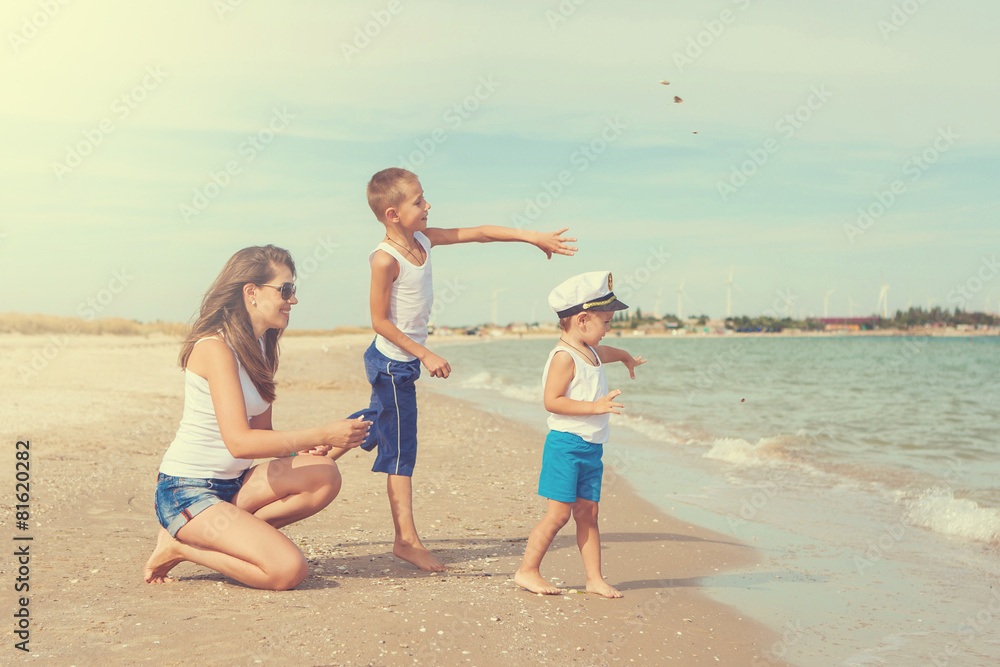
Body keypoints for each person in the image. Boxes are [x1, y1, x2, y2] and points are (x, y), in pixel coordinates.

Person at [330, 167, 577, 572]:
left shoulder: (424, 241)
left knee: (385, 418)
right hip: (392, 363)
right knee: (400, 448)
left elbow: (478, 232)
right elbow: (379, 321)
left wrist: (531, 237)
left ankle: (324, 446)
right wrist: (425, 354)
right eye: (418, 201)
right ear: (392, 214)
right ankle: (405, 541)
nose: (428, 206)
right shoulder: (384, 259)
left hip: (402, 362)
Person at [144, 245, 371, 590]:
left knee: (324, 474)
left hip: (234, 485)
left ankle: (227, 535)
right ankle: (183, 545)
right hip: (186, 492)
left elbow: (262, 433)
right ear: (251, 292)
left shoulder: (261, 347)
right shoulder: (215, 348)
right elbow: (239, 442)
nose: (292, 300)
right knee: (287, 571)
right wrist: (320, 432)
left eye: (292, 290)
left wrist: (313, 449)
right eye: (285, 290)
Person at [514, 271, 646, 598]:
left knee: (589, 513)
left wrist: (627, 357)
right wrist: (595, 407)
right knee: (558, 515)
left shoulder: (591, 350)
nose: (609, 328)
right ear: (583, 320)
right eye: (606, 321)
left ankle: (594, 579)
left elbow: (609, 352)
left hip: (591, 449)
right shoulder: (564, 357)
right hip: (566, 446)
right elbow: (551, 401)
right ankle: (527, 571)